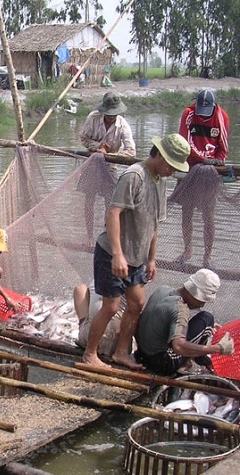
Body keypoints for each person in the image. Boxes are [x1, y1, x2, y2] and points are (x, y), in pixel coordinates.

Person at [81, 134, 191, 370]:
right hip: (113, 252)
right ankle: (90, 354)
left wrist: (152, 259)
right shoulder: (134, 176)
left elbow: (154, 224)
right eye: (171, 164)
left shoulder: (161, 180)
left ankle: (122, 352)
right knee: (110, 306)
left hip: (138, 257)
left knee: (136, 303)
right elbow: (113, 214)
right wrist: (118, 255)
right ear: (160, 155)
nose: (173, 171)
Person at [135, 269, 234, 375]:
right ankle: (193, 360)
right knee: (207, 318)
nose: (202, 305)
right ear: (195, 293)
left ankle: (198, 356)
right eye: (202, 300)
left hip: (142, 354)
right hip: (162, 363)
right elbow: (178, 346)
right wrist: (217, 348)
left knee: (205, 323)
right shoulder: (180, 309)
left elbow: (163, 319)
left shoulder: (162, 290)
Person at [171, 89, 230, 268]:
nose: (203, 114)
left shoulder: (222, 117)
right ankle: (188, 249)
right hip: (190, 168)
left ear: (213, 107)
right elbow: (185, 143)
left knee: (208, 215)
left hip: (209, 173)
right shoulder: (188, 114)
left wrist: (216, 162)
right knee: (186, 213)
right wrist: (202, 159)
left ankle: (207, 257)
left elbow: (223, 146)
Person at [78, 92, 136, 248]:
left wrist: (111, 154)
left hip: (110, 166)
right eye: (108, 114)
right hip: (92, 163)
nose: (111, 117)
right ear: (103, 111)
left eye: (114, 114)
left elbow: (131, 151)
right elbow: (84, 138)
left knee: (110, 204)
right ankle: (89, 237)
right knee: (88, 201)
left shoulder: (122, 126)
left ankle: (107, 236)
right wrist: (99, 147)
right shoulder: (93, 118)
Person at [73, 283, 125, 358]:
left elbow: (79, 289)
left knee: (81, 288)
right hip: (117, 346)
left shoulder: (100, 280)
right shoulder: (135, 280)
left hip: (88, 338)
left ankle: (83, 324)